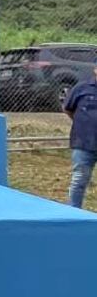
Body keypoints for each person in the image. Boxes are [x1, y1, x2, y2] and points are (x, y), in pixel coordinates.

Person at [63, 66, 97, 208]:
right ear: (95, 69)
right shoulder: (81, 88)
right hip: (84, 143)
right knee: (79, 180)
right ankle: (73, 214)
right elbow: (68, 109)